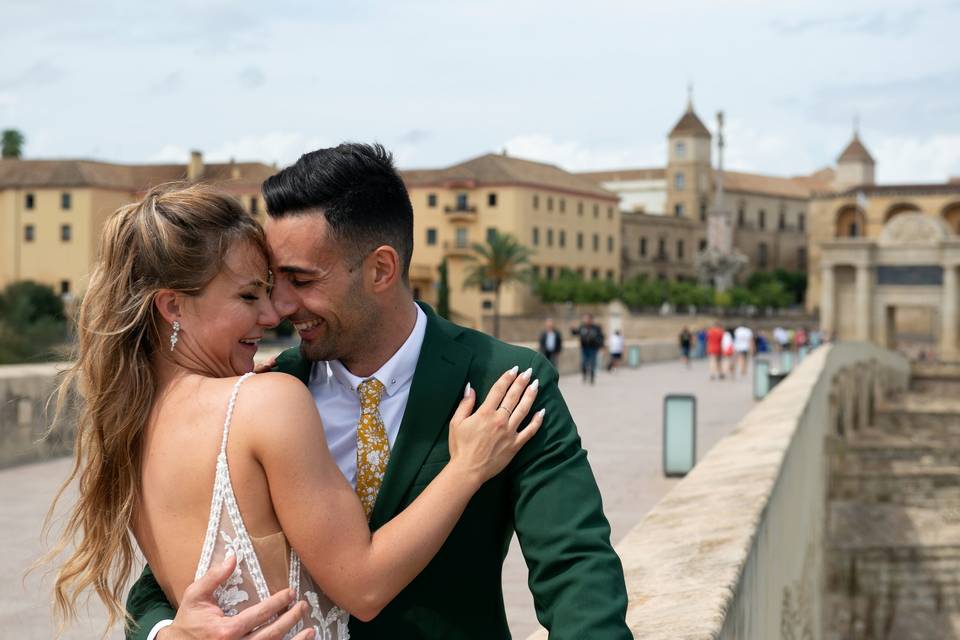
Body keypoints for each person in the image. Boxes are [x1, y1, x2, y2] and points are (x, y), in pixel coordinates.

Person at [123, 145, 630, 639]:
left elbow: (576, 568)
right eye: (272, 282)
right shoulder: (265, 392)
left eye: (300, 280)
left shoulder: (506, 381)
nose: (278, 307)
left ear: (381, 270)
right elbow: (174, 571)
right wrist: (168, 634)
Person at [41, 182, 545, 640]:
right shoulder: (268, 400)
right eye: (248, 295)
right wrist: (468, 469)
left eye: (273, 289)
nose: (273, 313)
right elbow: (364, 587)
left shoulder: (125, 425)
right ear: (172, 307)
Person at [571, 313, 605, 385]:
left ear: (591, 320)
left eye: (587, 319)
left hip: (593, 348)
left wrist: (601, 346)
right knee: (583, 363)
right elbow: (576, 333)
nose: (586, 320)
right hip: (584, 348)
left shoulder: (596, 328)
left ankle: (592, 378)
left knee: (593, 363)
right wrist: (572, 329)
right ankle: (584, 375)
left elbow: (601, 337)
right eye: (585, 319)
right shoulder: (582, 327)